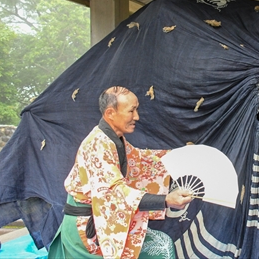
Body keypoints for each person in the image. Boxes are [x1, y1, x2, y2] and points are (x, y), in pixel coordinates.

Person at [48, 86, 192, 259]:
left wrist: (180, 157)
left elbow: (142, 161)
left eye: (136, 109)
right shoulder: (97, 145)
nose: (137, 117)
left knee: (162, 245)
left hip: (104, 222)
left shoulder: (115, 140)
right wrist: (166, 200)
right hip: (87, 231)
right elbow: (116, 193)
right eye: (132, 111)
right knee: (160, 249)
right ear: (110, 113)